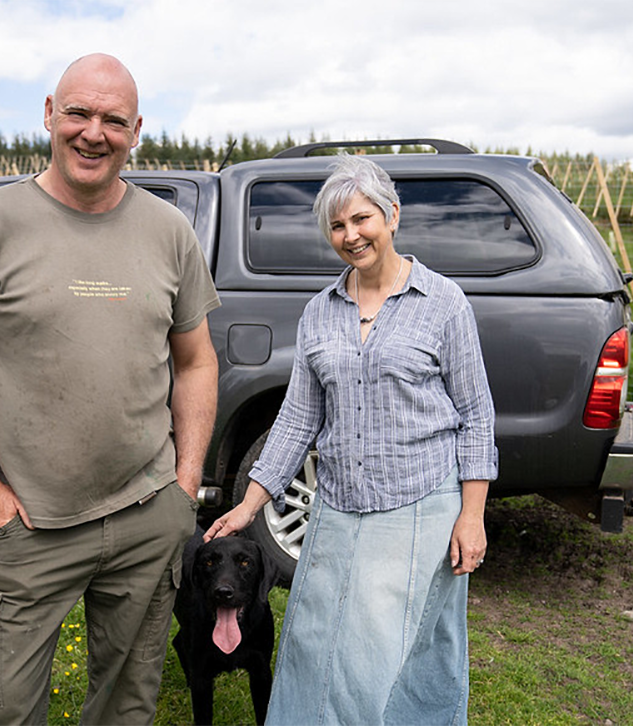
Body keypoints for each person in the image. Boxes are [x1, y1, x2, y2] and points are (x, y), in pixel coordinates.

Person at [0, 53, 220, 725]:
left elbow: (197, 361)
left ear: (136, 131)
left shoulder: (169, 231)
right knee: (4, 711)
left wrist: (186, 481)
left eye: (114, 120)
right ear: (50, 113)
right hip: (28, 523)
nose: (93, 133)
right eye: (78, 113)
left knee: (127, 707)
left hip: (147, 514)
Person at [205, 154, 497, 725]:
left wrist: (472, 515)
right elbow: (297, 420)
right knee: (313, 640)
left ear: (392, 215)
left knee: (392, 651)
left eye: (362, 219)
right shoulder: (320, 312)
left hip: (419, 503)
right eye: (337, 226)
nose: (351, 235)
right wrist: (249, 504)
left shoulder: (443, 303)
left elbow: (476, 416)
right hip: (337, 504)